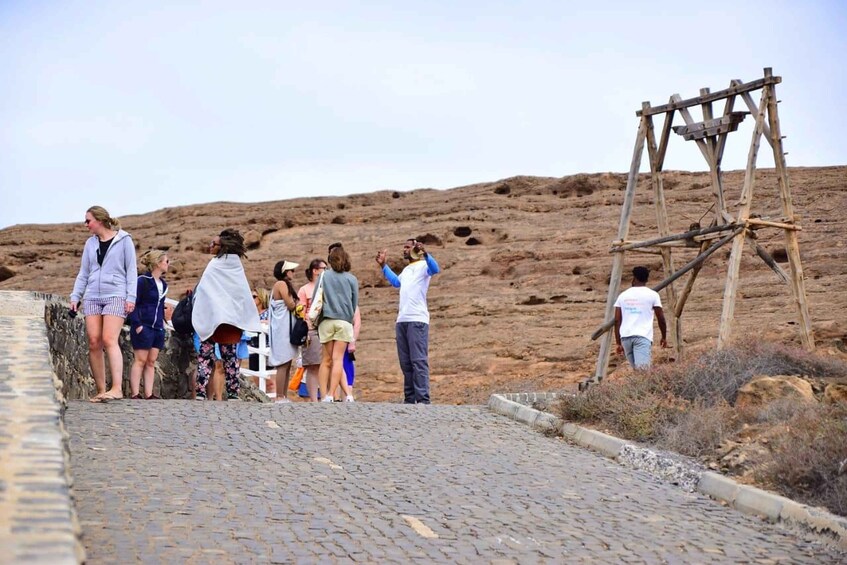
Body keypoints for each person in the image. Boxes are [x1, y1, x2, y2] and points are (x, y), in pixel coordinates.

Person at [70, 206, 137, 402]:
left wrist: (130, 297)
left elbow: (131, 271)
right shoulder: (90, 244)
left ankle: (116, 388)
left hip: (116, 294)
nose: (86, 225)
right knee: (94, 342)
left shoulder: (124, 240)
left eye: (88, 220)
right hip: (92, 296)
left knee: (109, 339)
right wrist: (76, 297)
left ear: (99, 220)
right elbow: (84, 273)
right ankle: (101, 390)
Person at [192, 229, 262, 400]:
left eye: (213, 244)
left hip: (214, 319)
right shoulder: (235, 266)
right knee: (229, 358)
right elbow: (240, 294)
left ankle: (201, 392)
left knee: (206, 357)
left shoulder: (215, 265)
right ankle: (232, 393)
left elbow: (204, 291)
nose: (210, 247)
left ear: (222, 246)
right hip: (229, 320)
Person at [375, 238, 440, 404]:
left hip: (417, 319)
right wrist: (383, 266)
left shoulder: (424, 266)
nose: (404, 250)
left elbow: (435, 268)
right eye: (403, 247)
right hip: (402, 319)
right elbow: (397, 282)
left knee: (418, 360)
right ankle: (410, 398)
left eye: (407, 247)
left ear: (415, 249)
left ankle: (423, 399)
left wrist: (425, 253)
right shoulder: (407, 270)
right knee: (406, 362)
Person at [315, 246, 358, 402]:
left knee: (326, 360)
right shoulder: (351, 279)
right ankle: (332, 394)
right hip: (344, 322)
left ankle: (324, 394)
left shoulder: (323, 276)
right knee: (338, 359)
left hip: (326, 320)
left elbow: (316, 298)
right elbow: (354, 304)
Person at [127, 249, 169, 400]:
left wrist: (163, 324)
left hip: (157, 327)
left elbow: (161, 305)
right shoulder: (142, 281)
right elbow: (134, 303)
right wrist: (137, 324)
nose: (168, 264)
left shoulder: (163, 285)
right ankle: (135, 393)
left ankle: (149, 393)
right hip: (143, 325)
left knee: (151, 361)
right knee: (140, 360)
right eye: (166, 261)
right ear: (158, 263)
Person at [614, 266, 668, 370]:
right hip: (642, 337)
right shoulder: (653, 295)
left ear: (634, 278)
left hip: (625, 337)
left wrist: (618, 343)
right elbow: (661, 319)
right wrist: (663, 337)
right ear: (647, 279)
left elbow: (617, 320)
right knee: (642, 373)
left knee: (637, 372)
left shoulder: (623, 295)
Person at [268, 260, 299, 402]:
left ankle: (283, 395)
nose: (293, 273)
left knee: (287, 363)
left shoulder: (283, 285)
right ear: (285, 272)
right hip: (282, 329)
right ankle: (279, 396)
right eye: (291, 270)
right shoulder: (281, 284)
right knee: (282, 363)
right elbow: (290, 304)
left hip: (285, 328)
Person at [297, 258, 327, 401]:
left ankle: (326, 396)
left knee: (325, 364)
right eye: (323, 268)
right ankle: (315, 399)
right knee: (312, 365)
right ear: (315, 270)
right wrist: (305, 329)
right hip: (311, 329)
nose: (326, 271)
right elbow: (301, 311)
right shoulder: (304, 289)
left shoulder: (327, 287)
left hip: (325, 328)